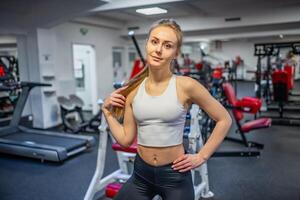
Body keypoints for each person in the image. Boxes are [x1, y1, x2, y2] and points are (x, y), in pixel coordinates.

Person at [101, 19, 232, 200]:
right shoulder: (133, 89)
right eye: (154, 42)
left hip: (175, 176)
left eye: (167, 45)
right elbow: (125, 139)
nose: (158, 49)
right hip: (141, 174)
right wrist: (107, 112)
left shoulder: (186, 85)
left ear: (176, 53)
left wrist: (202, 156)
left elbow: (224, 119)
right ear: (147, 43)